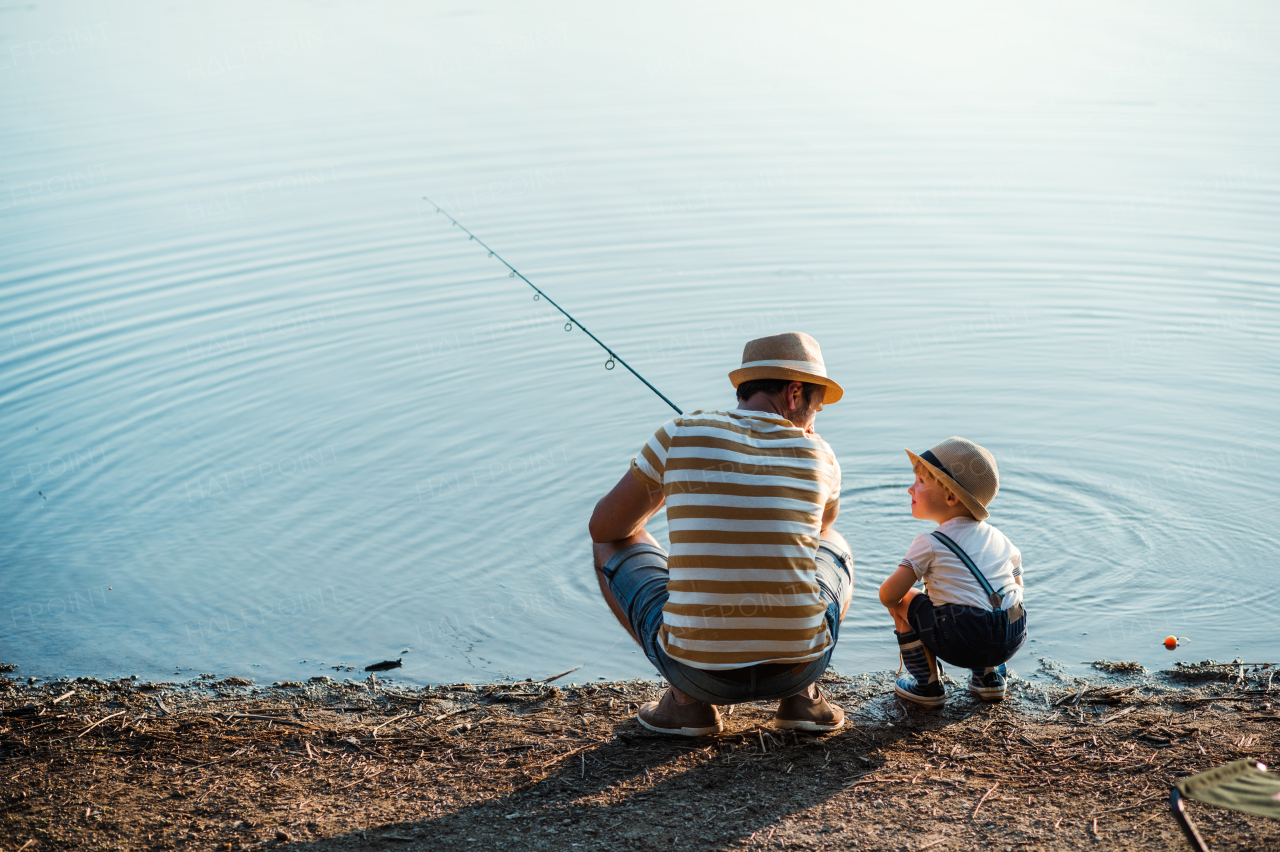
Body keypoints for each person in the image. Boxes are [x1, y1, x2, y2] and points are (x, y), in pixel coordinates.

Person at [589, 332, 854, 737]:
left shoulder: (678, 433)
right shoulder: (821, 454)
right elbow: (820, 529)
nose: (815, 420)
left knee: (611, 544)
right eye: (817, 406)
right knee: (837, 546)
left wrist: (673, 485)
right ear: (795, 393)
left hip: (699, 673)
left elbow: (605, 528)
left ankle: (686, 703)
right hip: (799, 665)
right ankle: (803, 698)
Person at [878, 437, 1027, 706]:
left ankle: (927, 685)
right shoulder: (1000, 539)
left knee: (905, 599)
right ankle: (989, 678)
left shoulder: (928, 543)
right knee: (992, 599)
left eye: (920, 482)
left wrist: (913, 600)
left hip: (964, 639)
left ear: (950, 496)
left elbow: (889, 595)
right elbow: (1018, 584)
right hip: (1013, 633)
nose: (910, 489)